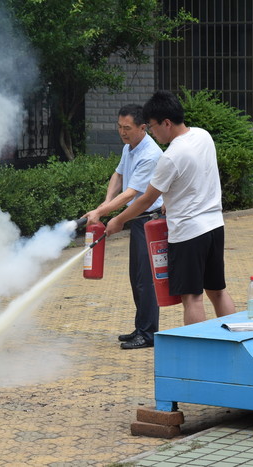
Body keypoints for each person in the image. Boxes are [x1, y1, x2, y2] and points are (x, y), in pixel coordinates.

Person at [106, 91, 236, 325]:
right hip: (215, 225)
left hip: (188, 232)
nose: (152, 133)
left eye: (153, 126)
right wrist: (170, 201)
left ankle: (197, 353)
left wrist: (118, 221)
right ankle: (238, 341)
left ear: (166, 123)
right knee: (217, 291)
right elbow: (194, 177)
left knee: (192, 298)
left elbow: (145, 200)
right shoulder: (202, 135)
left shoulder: (172, 156)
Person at [83, 104, 163, 349]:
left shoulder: (150, 154)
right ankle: (140, 328)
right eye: (119, 127)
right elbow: (118, 176)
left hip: (149, 220)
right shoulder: (129, 148)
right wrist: (106, 203)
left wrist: (102, 212)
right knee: (135, 277)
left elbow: (130, 194)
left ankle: (148, 334)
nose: (122, 132)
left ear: (142, 127)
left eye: (127, 128)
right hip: (137, 221)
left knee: (146, 280)